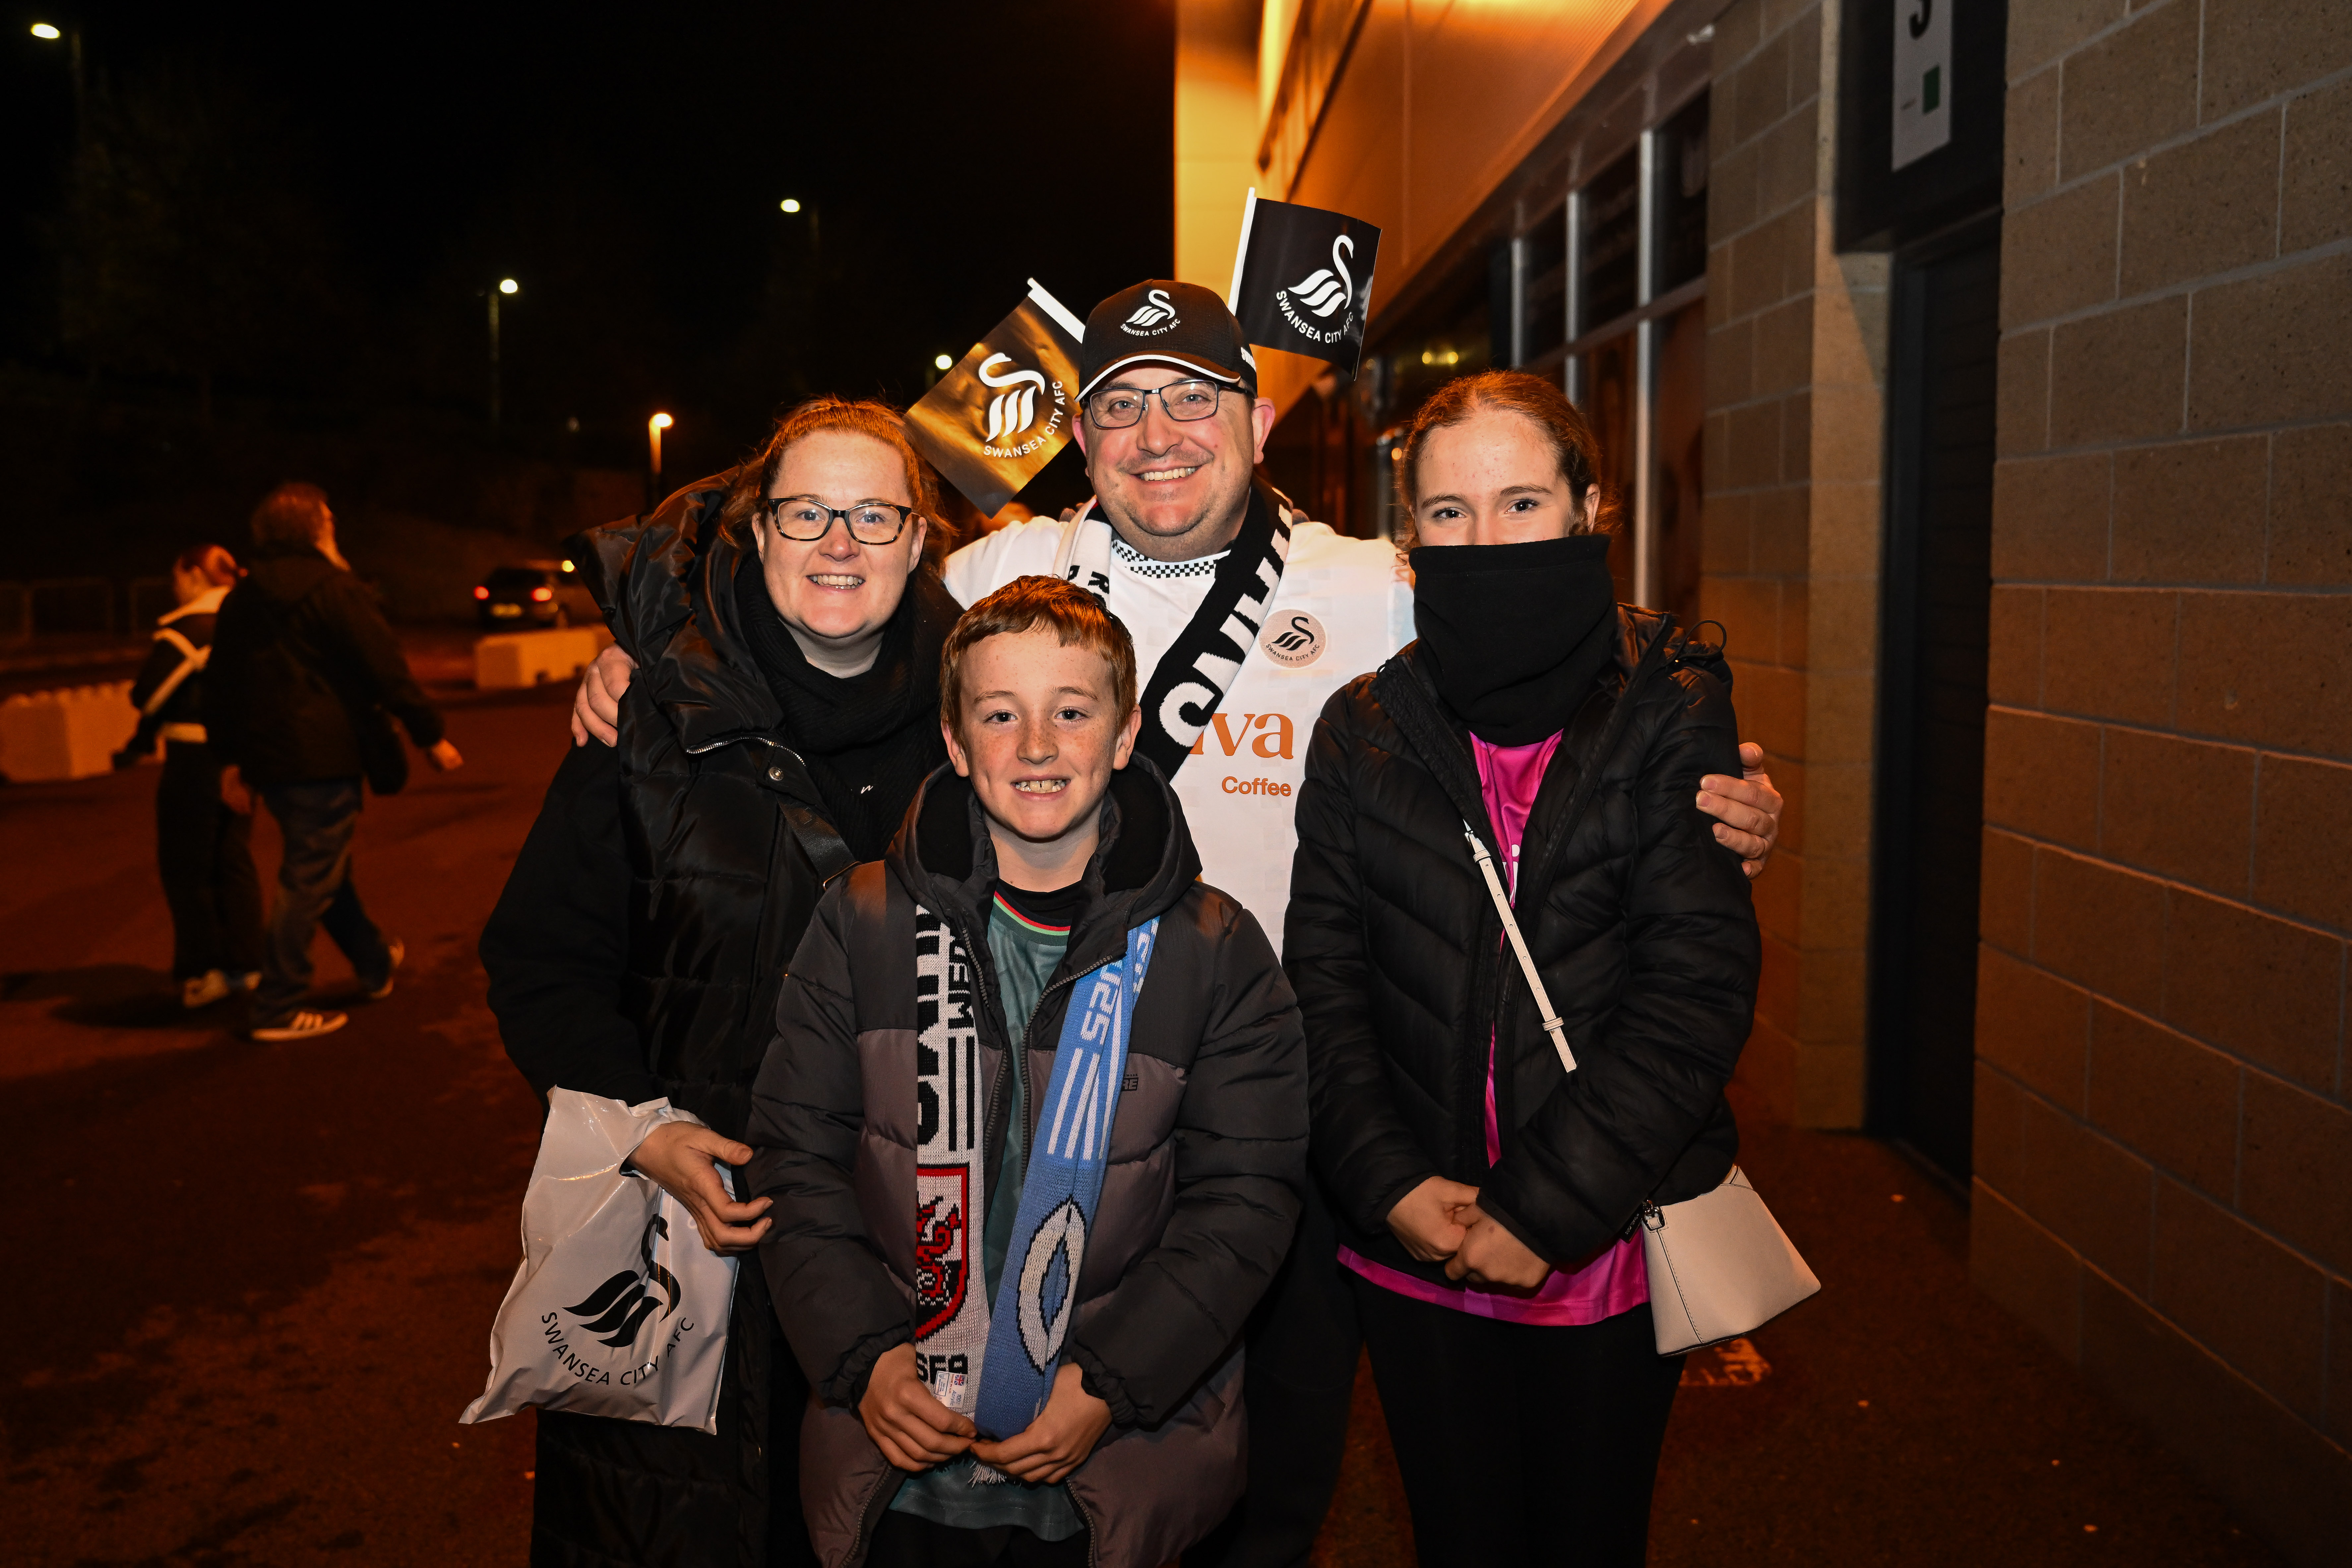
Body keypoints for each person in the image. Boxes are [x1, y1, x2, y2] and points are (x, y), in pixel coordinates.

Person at [569, 279, 1787, 1567]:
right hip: (1049, 1121)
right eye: (1122, 405)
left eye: (1193, 399)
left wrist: (1710, 773)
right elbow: (821, 598)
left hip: (1303, 1120)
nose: (1158, 434)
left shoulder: (1374, 583)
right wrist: (647, 650)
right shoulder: (1002, 567)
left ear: (1257, 424)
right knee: (1078, 1487)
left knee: (1275, 1486)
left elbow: (1564, 652)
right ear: (1079, 436)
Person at [478, 397, 965, 1568]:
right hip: (701, 1247)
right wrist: (640, 1132)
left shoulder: (979, 726)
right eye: (807, 512)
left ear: (917, 541)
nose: (839, 542)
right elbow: (540, 961)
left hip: (918, 1256)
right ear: (752, 533)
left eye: (871, 514)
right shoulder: (650, 717)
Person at [1286, 369, 1762, 1566]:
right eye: (1448, 514)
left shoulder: (1674, 705)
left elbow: (1691, 989)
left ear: (1587, 508)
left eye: (1519, 504)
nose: (1483, 539)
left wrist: (1540, 1210)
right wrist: (1390, 1185)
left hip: (1601, 1239)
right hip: (1415, 1235)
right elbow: (1326, 986)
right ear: (1410, 546)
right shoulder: (1362, 728)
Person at [748, 576, 1306, 1568]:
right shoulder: (859, 921)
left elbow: (1247, 1198)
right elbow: (796, 1163)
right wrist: (862, 1359)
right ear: (956, 745)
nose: (1036, 746)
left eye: (1071, 712)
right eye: (1000, 715)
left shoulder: (1213, 947)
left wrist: (1111, 1381)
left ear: (1126, 734)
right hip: (895, 1454)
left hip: (1114, 1450)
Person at [205, 482, 460, 1042]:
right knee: (309, 873)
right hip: (323, 753)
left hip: (269, 758)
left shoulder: (241, 599)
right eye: (328, 523)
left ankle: (373, 962)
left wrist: (229, 761)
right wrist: (430, 735)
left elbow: (220, 685)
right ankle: (278, 1002)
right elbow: (383, 665)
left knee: (322, 867)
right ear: (314, 530)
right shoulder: (334, 588)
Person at [118, 543, 265, 1010]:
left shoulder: (191, 628)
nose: (174, 587)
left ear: (196, 573)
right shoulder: (251, 623)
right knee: (232, 859)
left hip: (195, 757)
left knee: (187, 866)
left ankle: (203, 970)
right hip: (244, 756)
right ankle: (247, 963)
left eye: (177, 577)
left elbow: (147, 694)